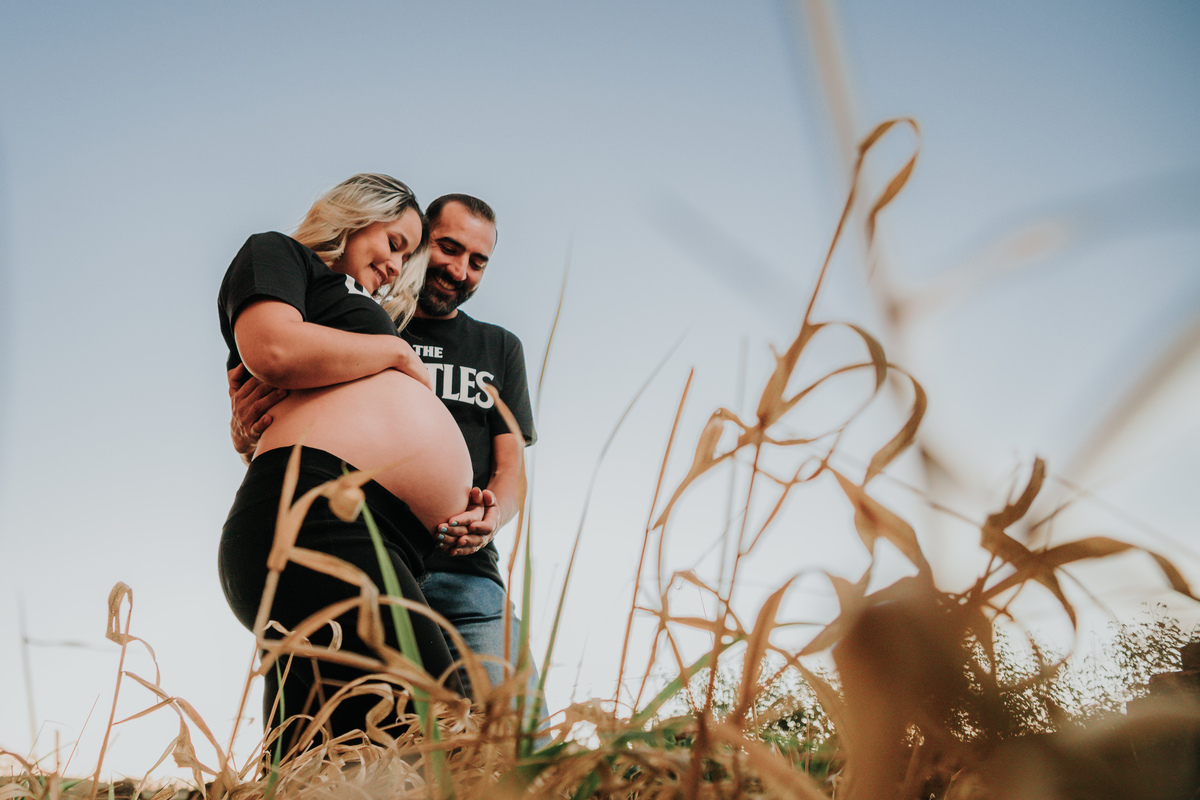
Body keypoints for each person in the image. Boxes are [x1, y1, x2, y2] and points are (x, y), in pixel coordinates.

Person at [228, 193, 541, 707]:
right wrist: (244, 431)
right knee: (372, 722)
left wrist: (493, 518)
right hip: (366, 538)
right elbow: (280, 387)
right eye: (447, 247)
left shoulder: (500, 347)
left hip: (469, 575)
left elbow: (513, 470)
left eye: (478, 261)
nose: (460, 269)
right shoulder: (360, 311)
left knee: (514, 740)